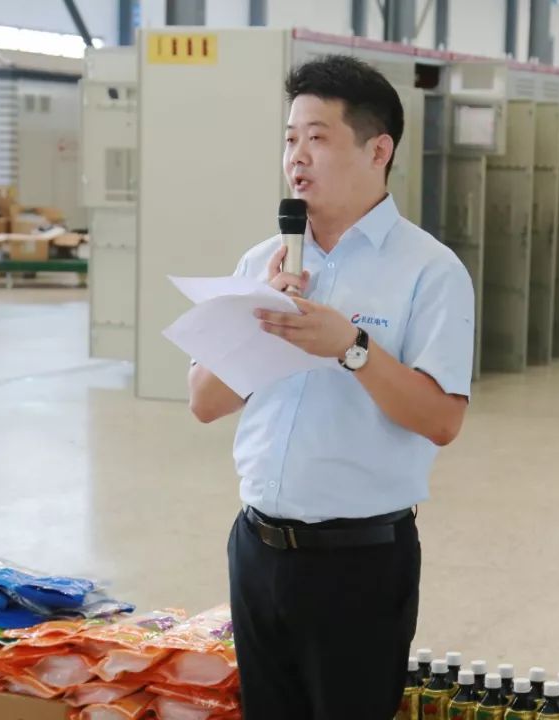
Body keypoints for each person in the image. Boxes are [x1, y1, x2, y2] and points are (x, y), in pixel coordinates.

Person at [187, 54, 475, 719]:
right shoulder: (263, 261)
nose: (297, 156)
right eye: (290, 138)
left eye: (317, 137)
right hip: (257, 550)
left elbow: (441, 420)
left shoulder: (431, 271)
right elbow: (204, 401)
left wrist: (352, 348)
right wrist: (256, 319)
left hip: (359, 563)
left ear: (378, 150)